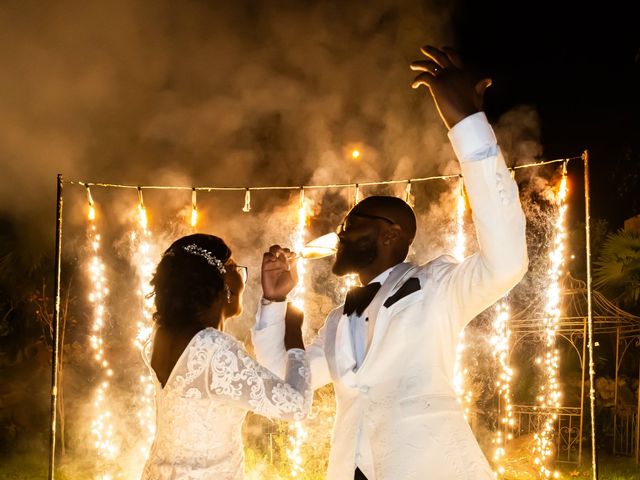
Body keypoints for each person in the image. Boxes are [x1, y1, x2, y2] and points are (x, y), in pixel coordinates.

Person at [252, 45, 528, 480]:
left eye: (351, 223)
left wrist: (468, 126)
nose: (339, 234)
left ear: (390, 234)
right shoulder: (340, 319)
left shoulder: (437, 286)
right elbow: (285, 384)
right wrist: (272, 304)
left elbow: (508, 260)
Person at [140, 233, 311, 480]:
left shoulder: (162, 334)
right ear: (224, 285)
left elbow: (257, 377)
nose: (242, 278)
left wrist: (274, 300)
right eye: (234, 268)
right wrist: (293, 332)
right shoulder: (212, 348)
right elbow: (296, 406)